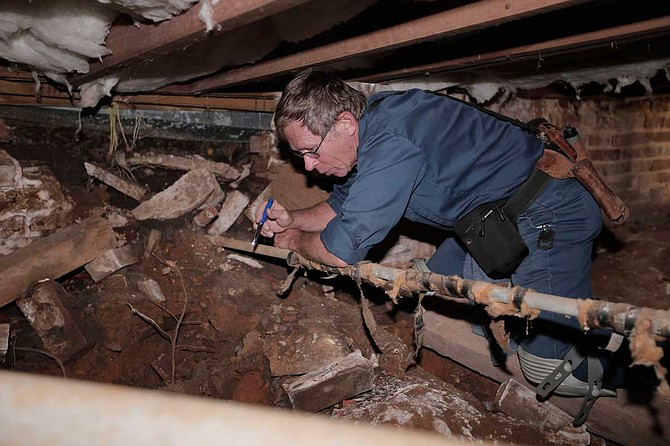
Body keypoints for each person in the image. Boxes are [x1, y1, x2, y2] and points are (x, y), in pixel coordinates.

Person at [256, 69, 614, 409]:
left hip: (551, 211)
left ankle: (629, 364)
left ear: (345, 124)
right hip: (492, 219)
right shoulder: (370, 132)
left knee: (551, 371)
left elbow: (339, 250)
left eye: (310, 151)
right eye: (300, 155)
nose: (308, 166)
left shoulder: (390, 141)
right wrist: (294, 220)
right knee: (441, 295)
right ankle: (543, 318)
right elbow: (341, 205)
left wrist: (293, 242)